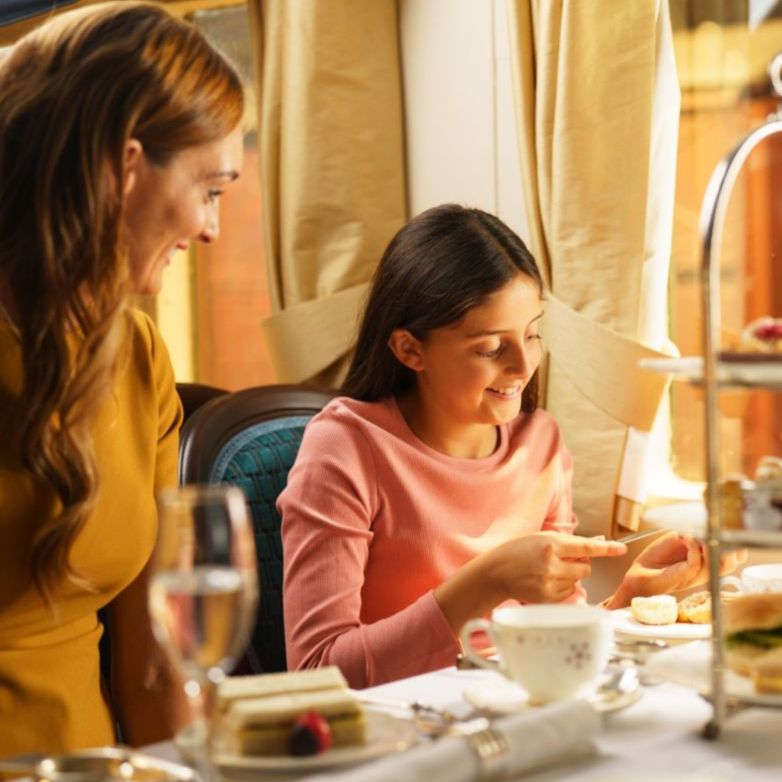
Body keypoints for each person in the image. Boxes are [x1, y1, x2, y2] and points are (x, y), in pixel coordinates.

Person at [279, 204, 741, 689]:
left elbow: (551, 638)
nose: (524, 365)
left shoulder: (539, 445)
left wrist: (628, 599)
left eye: (532, 333)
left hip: (507, 714)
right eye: (490, 348)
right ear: (409, 349)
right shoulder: (346, 448)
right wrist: (485, 583)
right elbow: (316, 672)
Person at [0, 2, 244, 755]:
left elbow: (152, 667)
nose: (211, 229)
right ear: (124, 166)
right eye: (209, 189)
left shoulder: (137, 356)